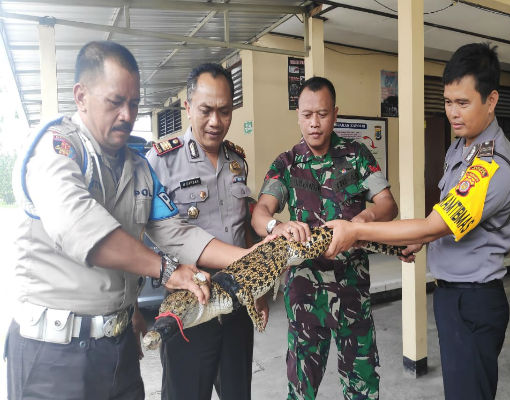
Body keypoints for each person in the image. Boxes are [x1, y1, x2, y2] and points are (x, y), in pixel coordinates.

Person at [5, 41, 258, 400]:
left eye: (134, 103)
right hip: (53, 356)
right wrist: (168, 270)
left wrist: (257, 258)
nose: (127, 114)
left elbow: (175, 231)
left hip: (118, 349)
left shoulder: (138, 168)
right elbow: (82, 229)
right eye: (115, 102)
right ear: (81, 96)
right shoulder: (57, 150)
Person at [324, 43, 510, 400]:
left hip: (474, 301)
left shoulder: (491, 166)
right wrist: (418, 240)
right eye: (448, 102)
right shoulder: (461, 147)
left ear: (491, 101)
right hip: (453, 296)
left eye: (463, 103)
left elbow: (435, 225)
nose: (453, 113)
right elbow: (447, 220)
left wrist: (355, 229)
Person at [251, 76, 398, 400]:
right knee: (302, 388)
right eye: (307, 114)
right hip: (304, 292)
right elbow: (260, 211)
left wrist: (363, 219)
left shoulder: (357, 155)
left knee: (362, 386)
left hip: (351, 291)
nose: (314, 123)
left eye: (322, 114)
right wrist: (276, 226)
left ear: (335, 113)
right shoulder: (287, 164)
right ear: (298, 115)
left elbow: (388, 204)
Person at [146, 63, 267, 400]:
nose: (216, 121)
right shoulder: (161, 160)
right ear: (188, 106)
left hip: (237, 303)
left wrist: (256, 289)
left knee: (237, 392)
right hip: (188, 306)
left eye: (225, 111)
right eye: (206, 110)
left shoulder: (237, 161)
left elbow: (243, 226)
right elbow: (151, 231)